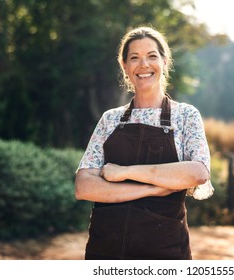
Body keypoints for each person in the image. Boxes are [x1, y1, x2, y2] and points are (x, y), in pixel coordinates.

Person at [75, 26, 214, 260]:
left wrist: (124, 172)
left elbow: (198, 173)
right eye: (134, 58)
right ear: (124, 66)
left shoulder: (186, 116)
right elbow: (84, 186)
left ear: (164, 61)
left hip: (164, 252)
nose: (144, 65)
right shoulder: (110, 119)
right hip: (106, 250)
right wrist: (152, 189)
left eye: (152, 56)